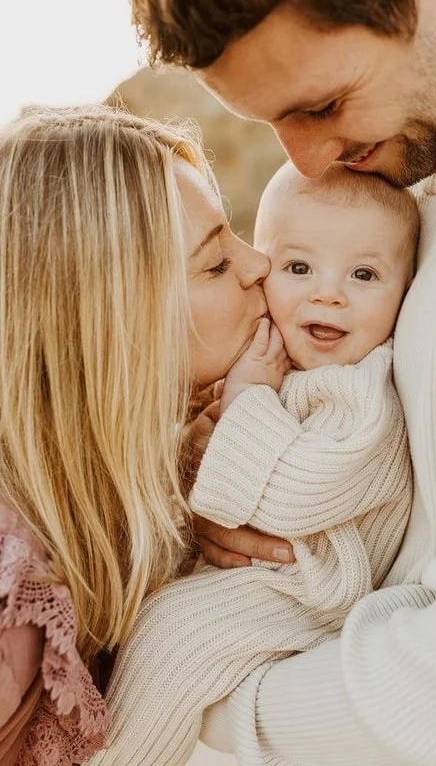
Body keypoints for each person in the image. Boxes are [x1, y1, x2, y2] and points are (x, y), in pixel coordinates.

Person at [119, 0, 436, 763]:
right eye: (274, 123)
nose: (310, 162)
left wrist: (194, 695)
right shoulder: (424, 154)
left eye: (324, 105)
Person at [87, 161, 419, 764]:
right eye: (298, 268)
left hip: (308, 590)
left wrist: (247, 401)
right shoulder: (281, 361)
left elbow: (299, 492)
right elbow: (207, 463)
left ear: (407, 290)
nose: (329, 293)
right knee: (148, 618)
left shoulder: (360, 389)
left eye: (365, 275)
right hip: (263, 579)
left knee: (174, 636)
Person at [0, 104, 270, 765]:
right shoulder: (17, 586)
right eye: (213, 264)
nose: (260, 261)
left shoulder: (114, 483)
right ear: (113, 325)